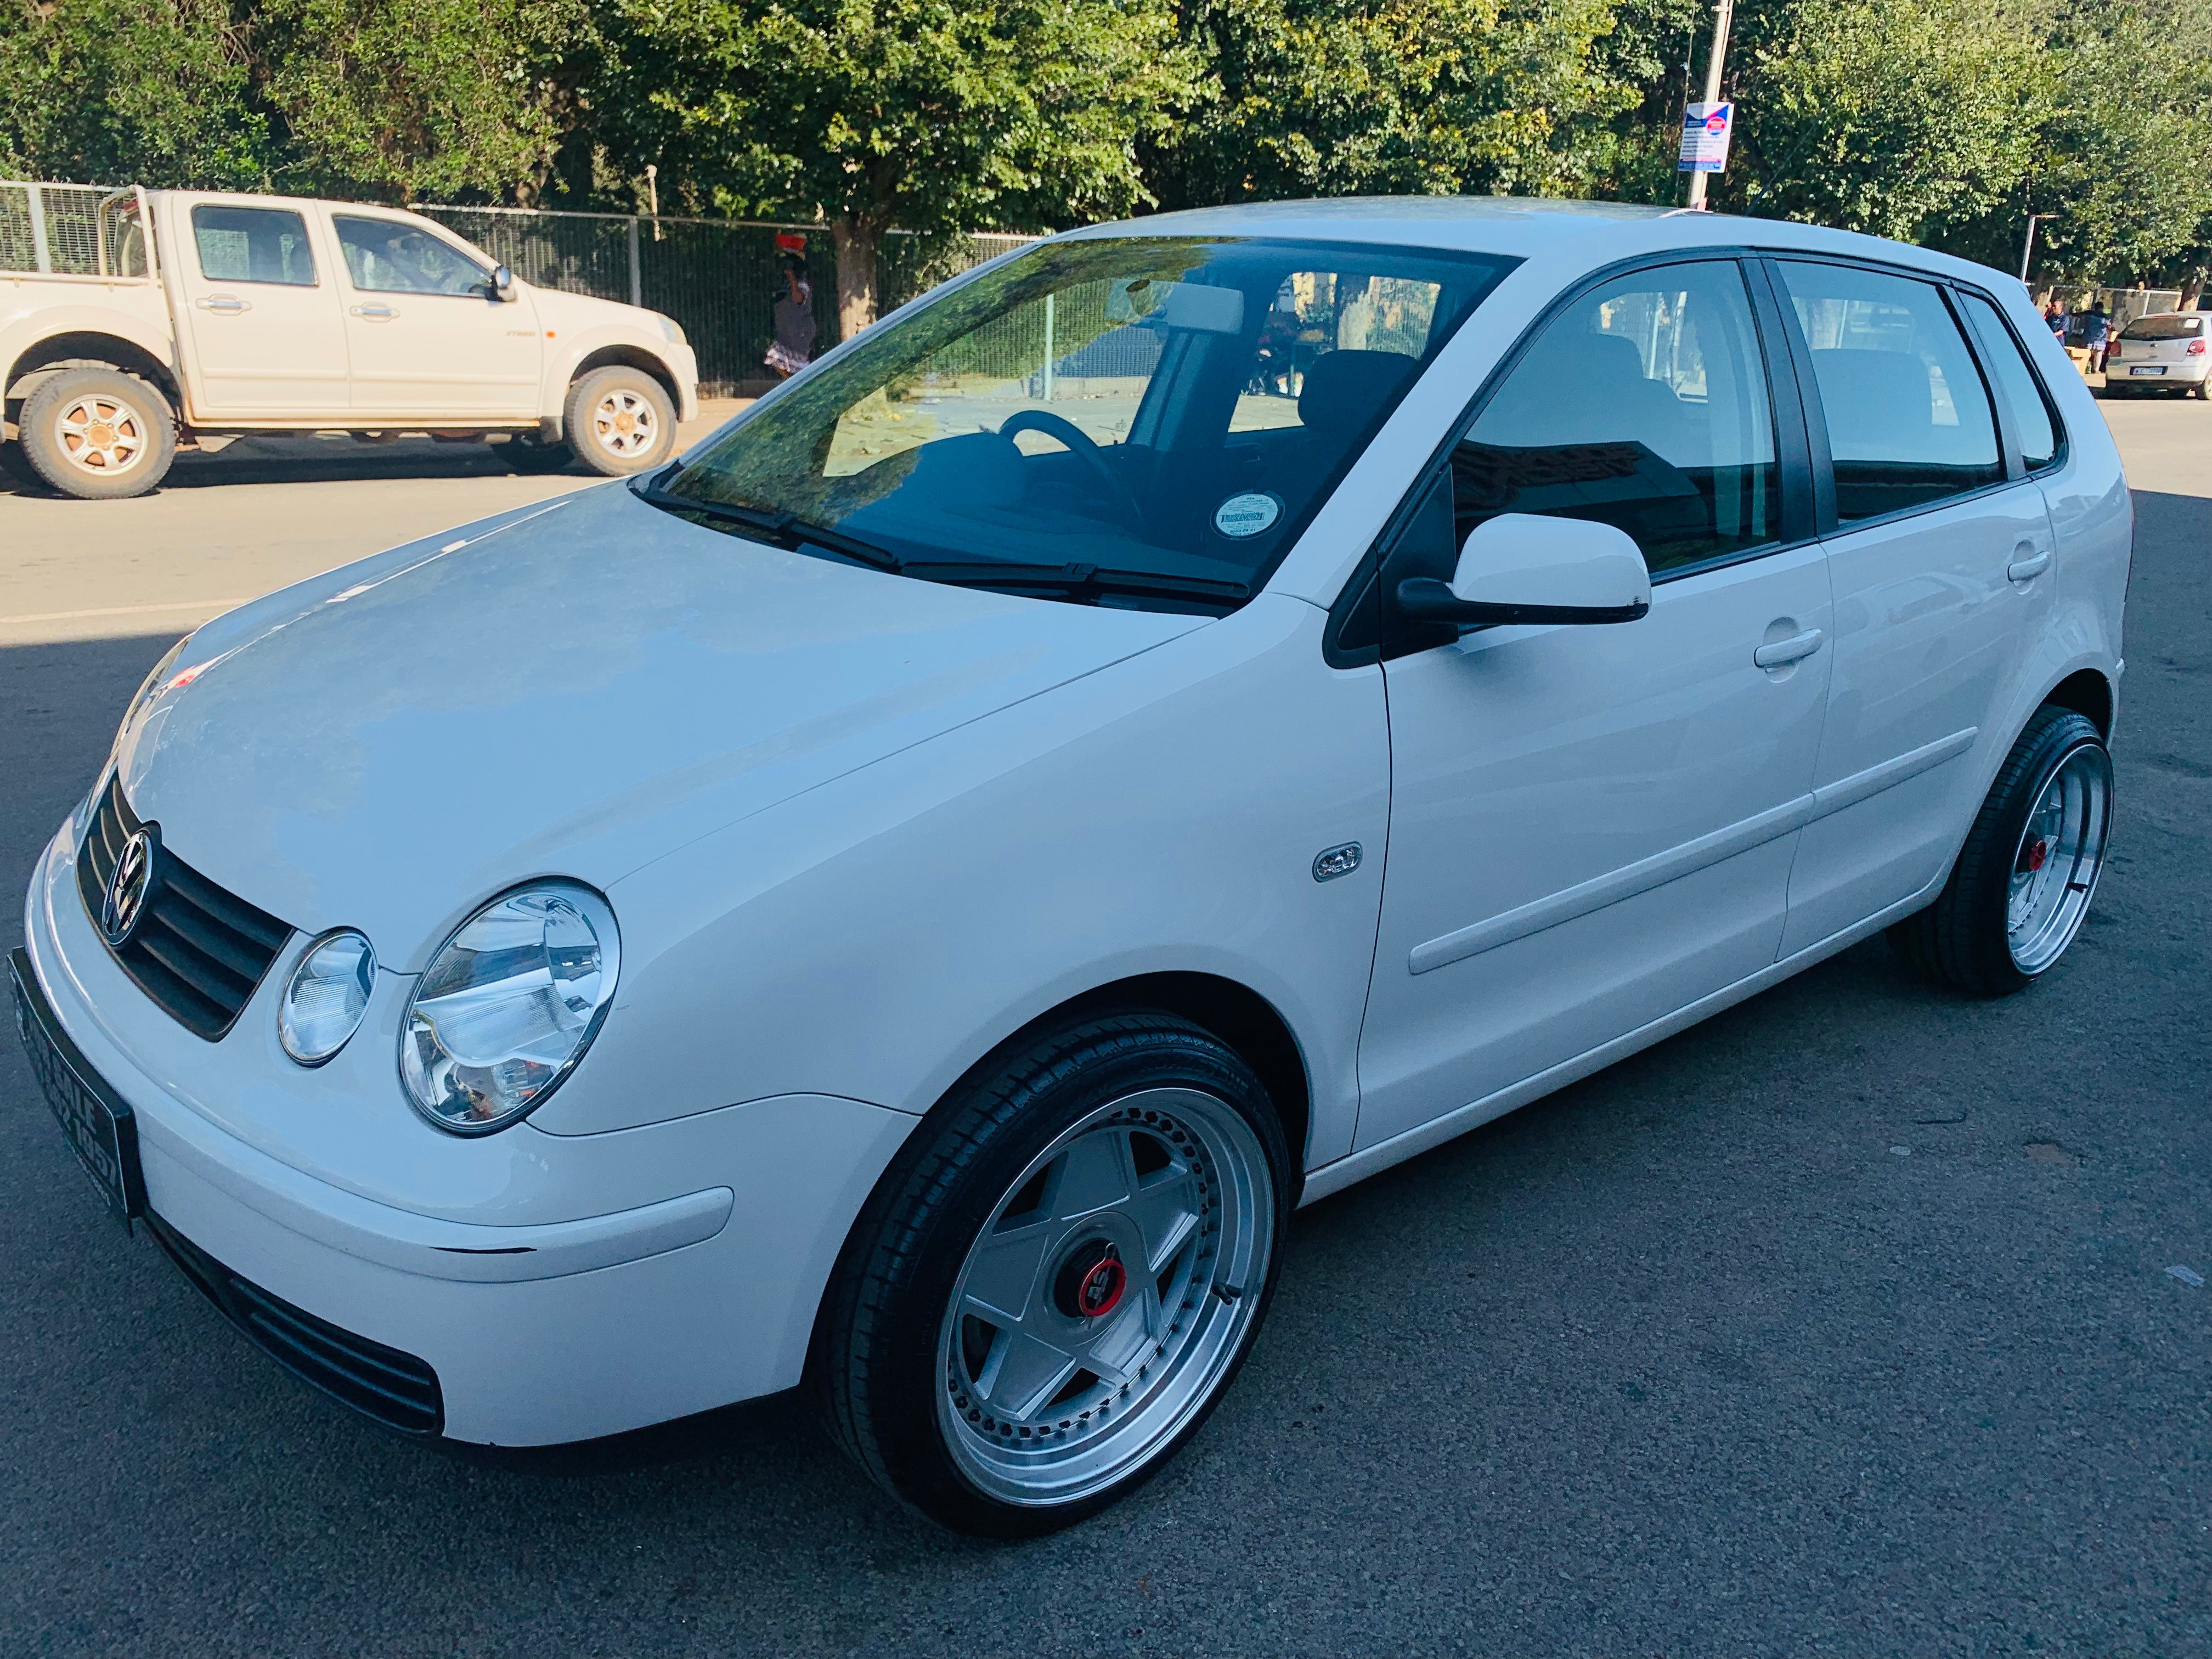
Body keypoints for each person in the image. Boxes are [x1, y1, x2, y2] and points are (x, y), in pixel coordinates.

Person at [764, 232, 816, 379]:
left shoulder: (802, 285)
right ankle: (791, 382)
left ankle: (795, 382)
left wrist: (793, 279)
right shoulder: (783, 285)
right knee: (776, 358)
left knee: (791, 361)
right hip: (788, 331)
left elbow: (798, 299)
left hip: (799, 332)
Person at [2083, 300, 2112, 374]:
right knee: (2098, 353)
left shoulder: (2090, 315)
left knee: (2088, 353)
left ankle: (2085, 368)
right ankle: (2096, 369)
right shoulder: (2104, 317)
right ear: (2102, 308)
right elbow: (2109, 325)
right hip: (2100, 338)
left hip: (2089, 337)